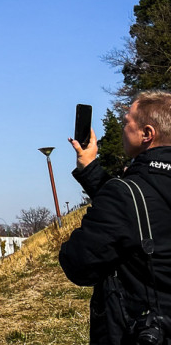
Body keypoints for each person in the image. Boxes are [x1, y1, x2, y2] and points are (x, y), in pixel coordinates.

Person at [59, 90, 171, 344]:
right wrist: (91, 170)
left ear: (147, 134)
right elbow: (143, 212)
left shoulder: (124, 196)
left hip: (140, 332)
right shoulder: (129, 195)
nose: (122, 129)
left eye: (126, 122)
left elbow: (78, 265)